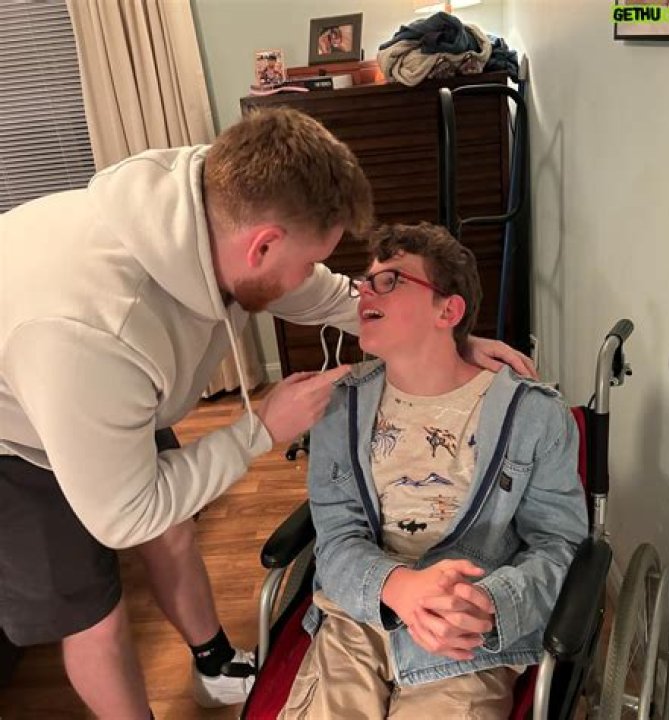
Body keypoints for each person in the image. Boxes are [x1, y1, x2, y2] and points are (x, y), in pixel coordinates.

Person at [0, 108, 534, 718]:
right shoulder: (92, 336)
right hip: (17, 431)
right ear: (262, 246)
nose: (314, 278)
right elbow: (126, 516)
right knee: (93, 616)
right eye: (307, 262)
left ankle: (212, 662)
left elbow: (320, 294)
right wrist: (260, 430)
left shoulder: (218, 207)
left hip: (103, 389)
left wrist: (453, 340)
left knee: (173, 531)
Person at [280, 223, 588, 720]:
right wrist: (396, 585)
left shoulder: (533, 417)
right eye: (365, 280)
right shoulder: (339, 408)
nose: (365, 291)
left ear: (448, 310)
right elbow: (336, 539)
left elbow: (560, 544)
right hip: (360, 616)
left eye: (390, 280)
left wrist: (492, 602)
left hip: (463, 633)